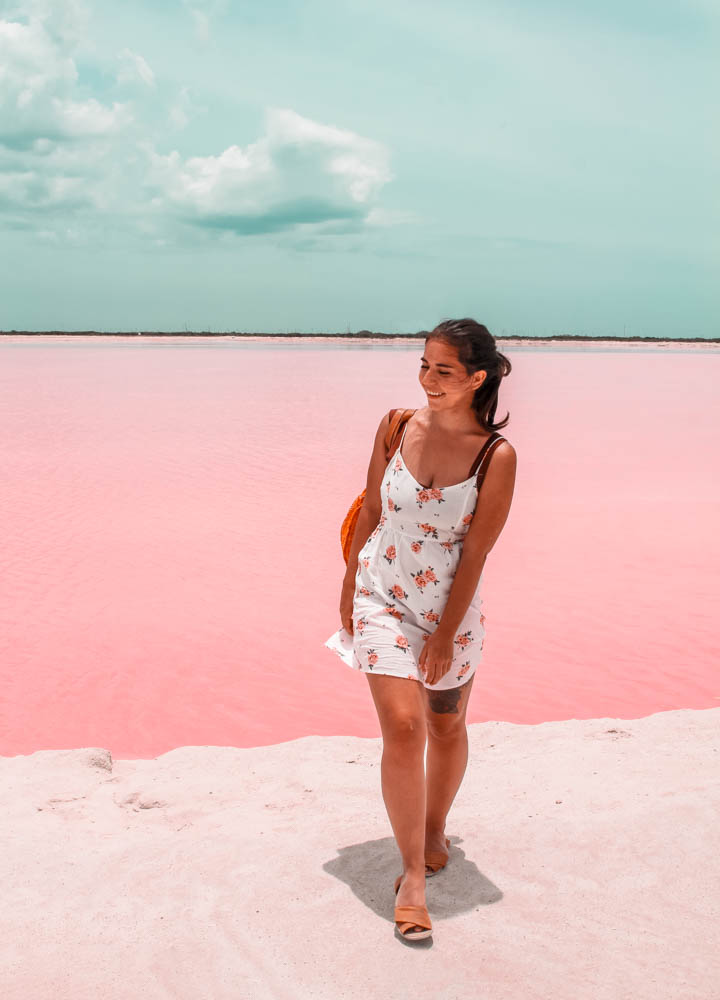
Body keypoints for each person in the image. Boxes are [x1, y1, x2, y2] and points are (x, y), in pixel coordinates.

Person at [324, 318, 517, 941]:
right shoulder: (395, 426)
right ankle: (411, 876)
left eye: (444, 371)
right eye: (424, 365)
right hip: (383, 595)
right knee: (403, 729)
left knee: (445, 722)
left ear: (477, 378)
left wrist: (441, 635)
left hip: (450, 613)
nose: (427, 380)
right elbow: (374, 507)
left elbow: (477, 553)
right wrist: (350, 581)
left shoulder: (497, 456)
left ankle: (436, 827)